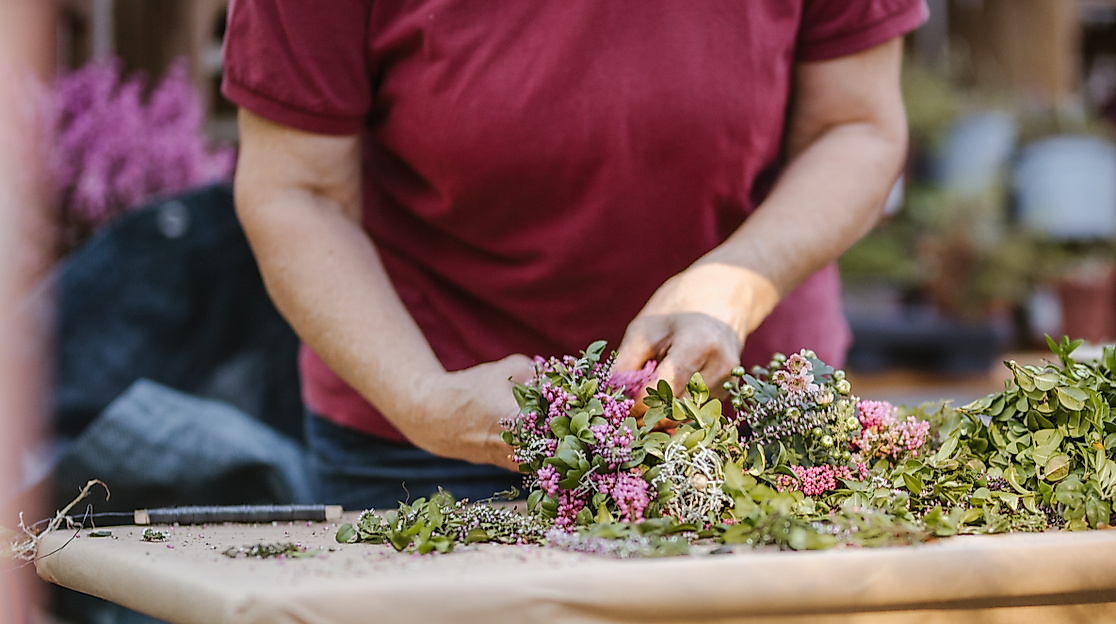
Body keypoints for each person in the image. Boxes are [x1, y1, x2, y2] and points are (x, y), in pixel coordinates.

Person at [222, 0, 927, 511]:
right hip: (432, 434)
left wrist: (734, 286)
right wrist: (425, 399)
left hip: (743, 414)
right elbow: (297, 190)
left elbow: (856, 123)